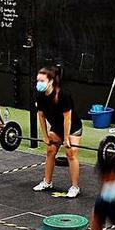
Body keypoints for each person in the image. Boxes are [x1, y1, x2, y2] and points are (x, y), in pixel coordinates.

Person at [32, 66, 83, 198]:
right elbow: (41, 116)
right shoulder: (40, 95)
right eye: (38, 80)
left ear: (50, 82)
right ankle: (47, 182)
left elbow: (68, 119)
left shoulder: (63, 95)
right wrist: (45, 136)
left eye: (42, 81)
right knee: (50, 150)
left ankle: (75, 187)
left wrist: (66, 138)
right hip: (57, 127)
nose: (39, 83)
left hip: (73, 127)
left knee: (70, 154)